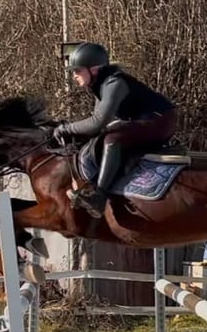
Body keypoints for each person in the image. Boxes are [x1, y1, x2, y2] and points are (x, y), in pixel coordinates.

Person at [53, 41, 177, 218]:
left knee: (112, 139)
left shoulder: (114, 84)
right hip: (146, 120)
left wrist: (67, 128)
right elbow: (97, 125)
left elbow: (97, 122)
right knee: (107, 136)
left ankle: (99, 197)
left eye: (77, 70)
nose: (74, 75)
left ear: (94, 69)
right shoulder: (99, 85)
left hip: (160, 121)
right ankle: (95, 186)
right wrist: (68, 127)